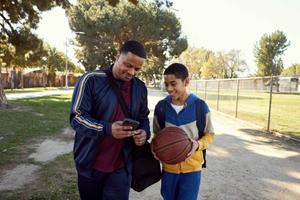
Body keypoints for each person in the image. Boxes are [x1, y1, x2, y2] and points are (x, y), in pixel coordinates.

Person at [70, 40, 150, 200]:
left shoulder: (140, 88)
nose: (132, 72)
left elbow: (143, 118)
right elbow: (77, 117)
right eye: (128, 65)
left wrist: (144, 133)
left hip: (122, 166)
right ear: (116, 56)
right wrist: (107, 129)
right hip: (90, 164)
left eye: (137, 69)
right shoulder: (91, 80)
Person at [153, 63, 215, 200]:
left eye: (173, 84)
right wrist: (155, 149)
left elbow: (210, 135)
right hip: (169, 168)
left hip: (192, 169)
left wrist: (197, 145)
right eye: (166, 84)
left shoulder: (200, 106)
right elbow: (156, 136)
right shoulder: (161, 107)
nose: (169, 88)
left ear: (186, 82)